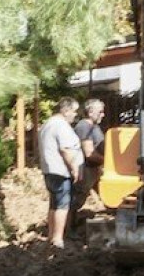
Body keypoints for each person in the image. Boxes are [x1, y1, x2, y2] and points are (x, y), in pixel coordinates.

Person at [37, 97, 82, 248]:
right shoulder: (61, 125)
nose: (75, 115)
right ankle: (57, 239)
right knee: (62, 205)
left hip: (49, 170)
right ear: (66, 110)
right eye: (74, 111)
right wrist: (74, 167)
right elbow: (65, 149)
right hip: (61, 171)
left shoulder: (47, 124)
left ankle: (51, 236)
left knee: (54, 204)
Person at [72, 98, 107, 226]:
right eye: (100, 112)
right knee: (76, 200)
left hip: (94, 169)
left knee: (105, 195)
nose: (103, 115)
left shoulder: (94, 126)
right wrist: (109, 163)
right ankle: (67, 229)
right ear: (90, 112)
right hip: (86, 169)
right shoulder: (84, 126)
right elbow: (89, 153)